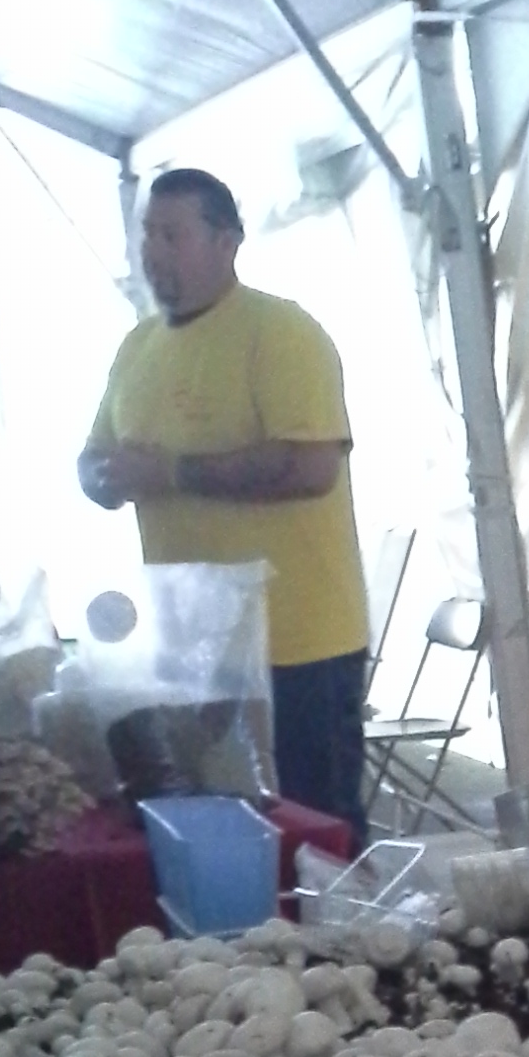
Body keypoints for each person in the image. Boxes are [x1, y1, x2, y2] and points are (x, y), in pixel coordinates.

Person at [78, 167, 370, 836]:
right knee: (222, 824)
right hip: (192, 646)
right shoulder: (137, 348)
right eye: (147, 233)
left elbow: (310, 466)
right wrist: (100, 479)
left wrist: (173, 472)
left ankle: (358, 942)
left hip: (297, 643)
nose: (152, 250)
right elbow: (94, 458)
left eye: (172, 234)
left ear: (226, 241)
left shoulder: (281, 333)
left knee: (316, 828)